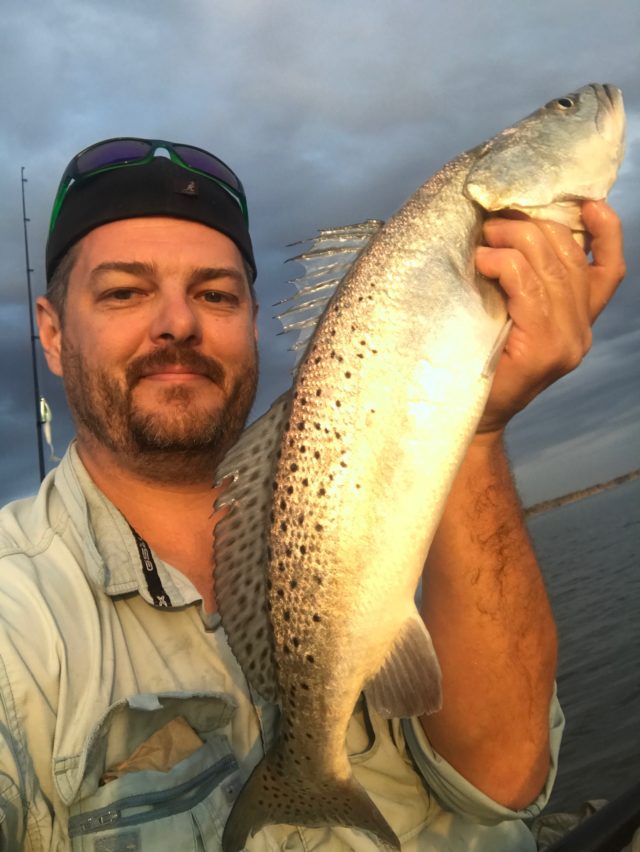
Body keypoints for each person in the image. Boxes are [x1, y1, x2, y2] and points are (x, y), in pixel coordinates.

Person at [0, 137, 625, 852]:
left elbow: (502, 781)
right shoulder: (16, 619)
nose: (177, 322)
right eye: (123, 292)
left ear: (253, 321)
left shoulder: (360, 483)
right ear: (51, 335)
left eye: (215, 293)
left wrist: (478, 430)